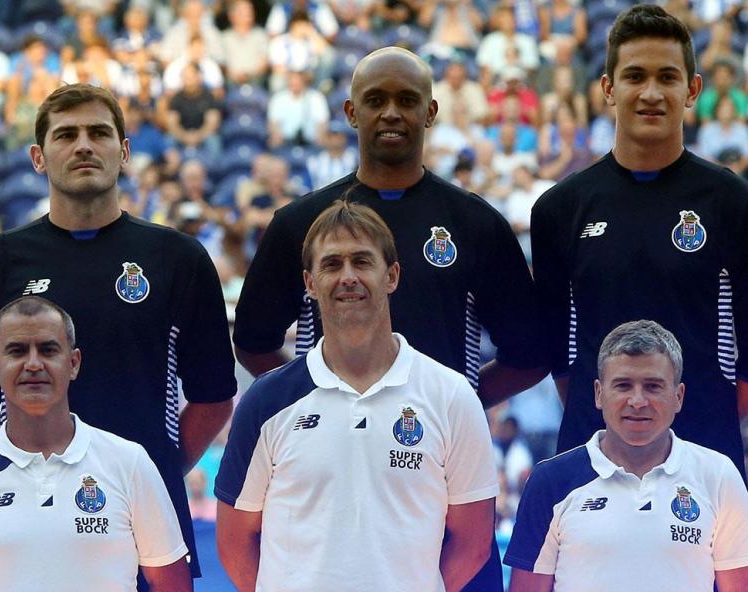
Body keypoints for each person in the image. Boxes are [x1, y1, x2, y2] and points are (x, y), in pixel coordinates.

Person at [232, 45, 547, 591]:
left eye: (407, 100)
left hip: (438, 471)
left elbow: (530, 354)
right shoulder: (300, 223)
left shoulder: (474, 223)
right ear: (351, 112)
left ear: (431, 111)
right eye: (375, 100)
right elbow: (255, 340)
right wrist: (313, 399)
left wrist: (455, 405)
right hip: (328, 474)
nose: (391, 113)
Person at [0, 83, 237, 588]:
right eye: (66, 135)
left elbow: (214, 398)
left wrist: (147, 474)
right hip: (21, 514)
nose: (84, 145)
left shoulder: (178, 259)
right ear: (38, 158)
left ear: (124, 151)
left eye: (99, 133)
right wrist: (24, 471)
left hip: (143, 517)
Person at [217, 200, 499, 591]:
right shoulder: (266, 401)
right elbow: (233, 544)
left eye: (362, 262)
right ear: (310, 283)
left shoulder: (451, 396)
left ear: (392, 276)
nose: (347, 276)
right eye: (332, 264)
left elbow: (473, 544)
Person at [530, 4, 748, 474]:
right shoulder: (560, 209)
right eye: (634, 76)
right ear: (609, 88)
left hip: (705, 456)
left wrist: (700, 415)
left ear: (692, 89)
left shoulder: (731, 200)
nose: (651, 92)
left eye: (667, 77)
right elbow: (560, 359)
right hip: (591, 458)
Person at [0, 296, 192, 592]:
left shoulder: (129, 462)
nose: (33, 364)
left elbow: (171, 584)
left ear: (73, 363)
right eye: (17, 351)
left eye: (48, 350)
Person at [505, 320, 748, 591]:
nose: (638, 401)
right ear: (599, 394)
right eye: (623, 385)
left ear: (678, 396)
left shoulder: (718, 474)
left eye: (653, 386)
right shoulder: (550, 480)